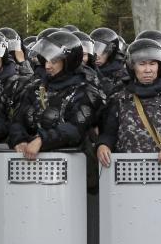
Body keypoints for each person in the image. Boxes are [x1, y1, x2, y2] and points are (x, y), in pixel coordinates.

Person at [96, 38, 161, 166]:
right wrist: (103, 145)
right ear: (132, 67)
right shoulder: (119, 98)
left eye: (152, 64)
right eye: (142, 64)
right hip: (127, 170)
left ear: (159, 66)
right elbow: (109, 132)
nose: (148, 70)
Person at [9, 30, 104, 159]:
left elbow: (75, 129)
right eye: (46, 60)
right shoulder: (34, 88)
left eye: (53, 61)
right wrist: (19, 139)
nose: (47, 66)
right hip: (32, 163)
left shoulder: (85, 91)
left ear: (68, 61)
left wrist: (42, 140)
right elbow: (18, 121)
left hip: (73, 164)